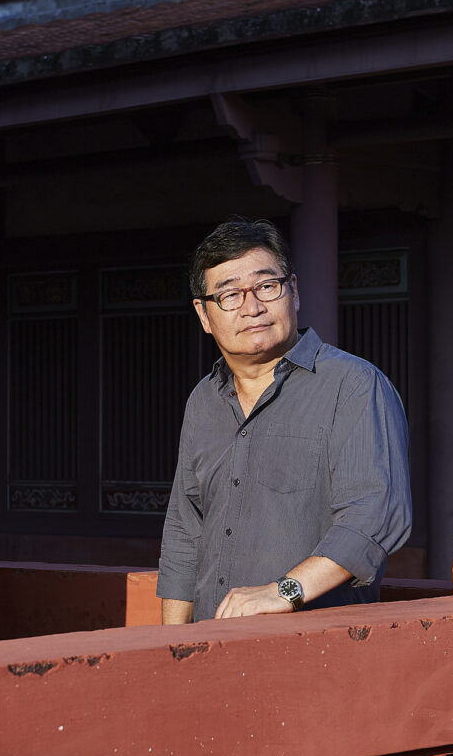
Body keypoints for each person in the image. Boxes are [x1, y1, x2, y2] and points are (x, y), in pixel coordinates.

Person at [158, 216, 412, 623]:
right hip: (209, 646)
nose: (252, 307)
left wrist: (283, 592)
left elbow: (376, 515)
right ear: (204, 316)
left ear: (292, 291)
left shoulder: (354, 385)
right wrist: (169, 645)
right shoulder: (203, 400)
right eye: (229, 296)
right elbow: (185, 532)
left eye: (265, 286)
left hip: (313, 648)